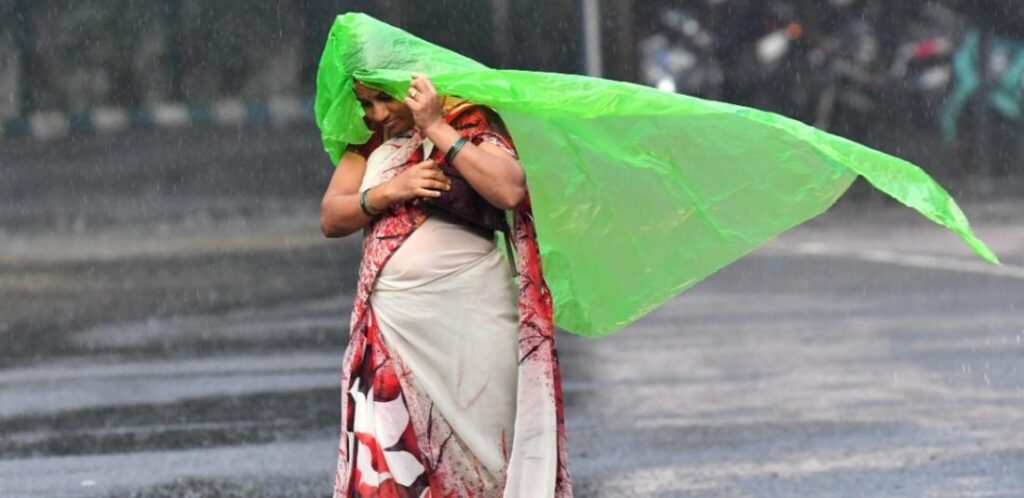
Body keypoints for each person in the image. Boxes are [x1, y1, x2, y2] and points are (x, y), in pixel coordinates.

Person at [320, 73, 572, 497]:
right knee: (395, 459)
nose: (377, 114)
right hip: (395, 330)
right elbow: (331, 216)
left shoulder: (467, 120)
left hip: (474, 318)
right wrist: (389, 191)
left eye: (384, 99)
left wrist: (437, 127)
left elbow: (509, 189)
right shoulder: (369, 141)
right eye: (366, 104)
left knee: (488, 457)